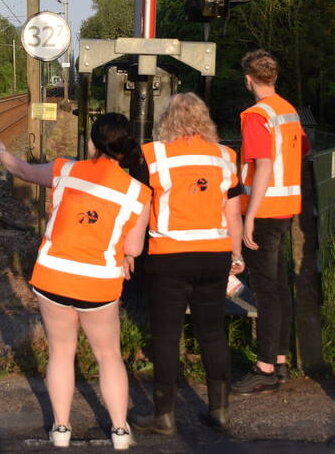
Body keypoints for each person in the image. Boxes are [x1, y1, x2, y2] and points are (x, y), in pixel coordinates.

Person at [0, 113, 151, 450]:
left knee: (61, 352)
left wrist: (0, 152)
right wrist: (120, 251)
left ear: (93, 142)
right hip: (98, 282)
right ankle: (120, 431)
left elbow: (21, 169)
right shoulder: (138, 192)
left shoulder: (67, 169)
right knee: (108, 355)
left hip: (53, 275)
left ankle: (61, 428)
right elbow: (134, 247)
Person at [131, 93, 245, 436]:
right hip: (215, 256)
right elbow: (233, 212)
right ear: (204, 120)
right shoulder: (225, 156)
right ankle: (220, 411)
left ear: (167, 120)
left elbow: (138, 208)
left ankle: (164, 417)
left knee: (166, 336)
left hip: (168, 257)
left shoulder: (151, 155)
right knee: (212, 333)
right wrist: (236, 255)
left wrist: (128, 252)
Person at [231, 49, 308, 394]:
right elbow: (302, 151)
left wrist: (248, 217)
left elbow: (262, 164)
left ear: (249, 79)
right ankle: (279, 359)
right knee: (278, 287)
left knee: (266, 291)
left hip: (264, 211)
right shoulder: (288, 111)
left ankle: (264, 366)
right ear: (273, 78)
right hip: (287, 208)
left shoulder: (255, 115)